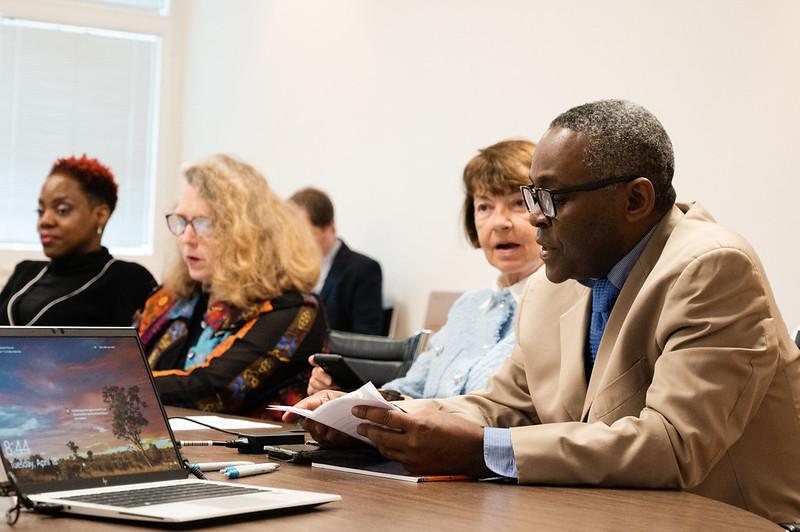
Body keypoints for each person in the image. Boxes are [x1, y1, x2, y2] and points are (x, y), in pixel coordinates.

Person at [286, 100, 800, 524]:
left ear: (636, 199)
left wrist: (480, 449)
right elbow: (506, 404)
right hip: (597, 513)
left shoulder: (711, 267)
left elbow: (671, 446)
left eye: (551, 197)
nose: (533, 217)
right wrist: (380, 421)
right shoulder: (559, 281)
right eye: (533, 194)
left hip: (722, 519)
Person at [306, 140, 543, 399]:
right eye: (484, 206)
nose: (499, 222)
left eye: (518, 203)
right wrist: (346, 397)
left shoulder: (562, 309)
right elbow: (409, 389)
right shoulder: (467, 307)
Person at [137, 154, 327, 419]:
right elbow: (125, 359)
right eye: (181, 221)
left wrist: (111, 385)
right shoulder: (175, 297)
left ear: (249, 233)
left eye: (205, 224)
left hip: (249, 458)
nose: (187, 238)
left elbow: (212, 390)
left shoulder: (296, 311)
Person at [0, 154, 156, 326]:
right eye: (41, 210)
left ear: (100, 215)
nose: (45, 221)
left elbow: (137, 350)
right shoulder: (25, 272)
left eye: (62, 210)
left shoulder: (128, 280)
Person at [289, 187, 384, 335]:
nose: (298, 244)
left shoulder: (363, 270)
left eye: (307, 235)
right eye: (293, 236)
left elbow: (366, 338)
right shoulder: (287, 268)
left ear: (330, 226)